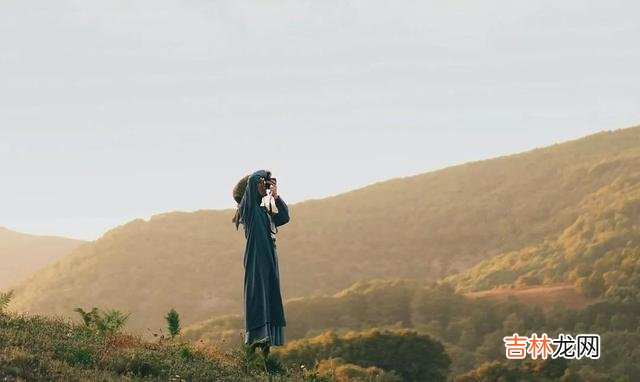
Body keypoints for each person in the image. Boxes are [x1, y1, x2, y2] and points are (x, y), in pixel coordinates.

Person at [232, 169, 290, 357]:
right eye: (261, 184)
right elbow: (253, 180)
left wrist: (276, 195)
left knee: (269, 301)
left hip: (269, 262)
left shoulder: (263, 212)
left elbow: (283, 217)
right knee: (259, 300)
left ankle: (264, 357)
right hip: (257, 261)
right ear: (250, 189)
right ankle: (250, 352)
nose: (263, 186)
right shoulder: (249, 211)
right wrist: (264, 173)